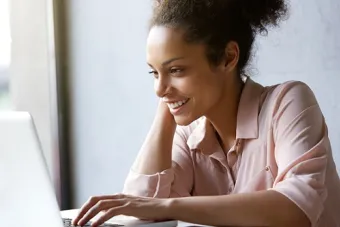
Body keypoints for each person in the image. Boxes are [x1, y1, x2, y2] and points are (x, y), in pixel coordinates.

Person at [73, 0, 340, 226]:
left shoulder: (287, 102)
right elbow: (141, 214)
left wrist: (170, 206)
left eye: (176, 70)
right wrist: (169, 104)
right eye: (154, 73)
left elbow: (298, 207)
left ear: (228, 57)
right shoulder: (187, 134)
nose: (158, 88)